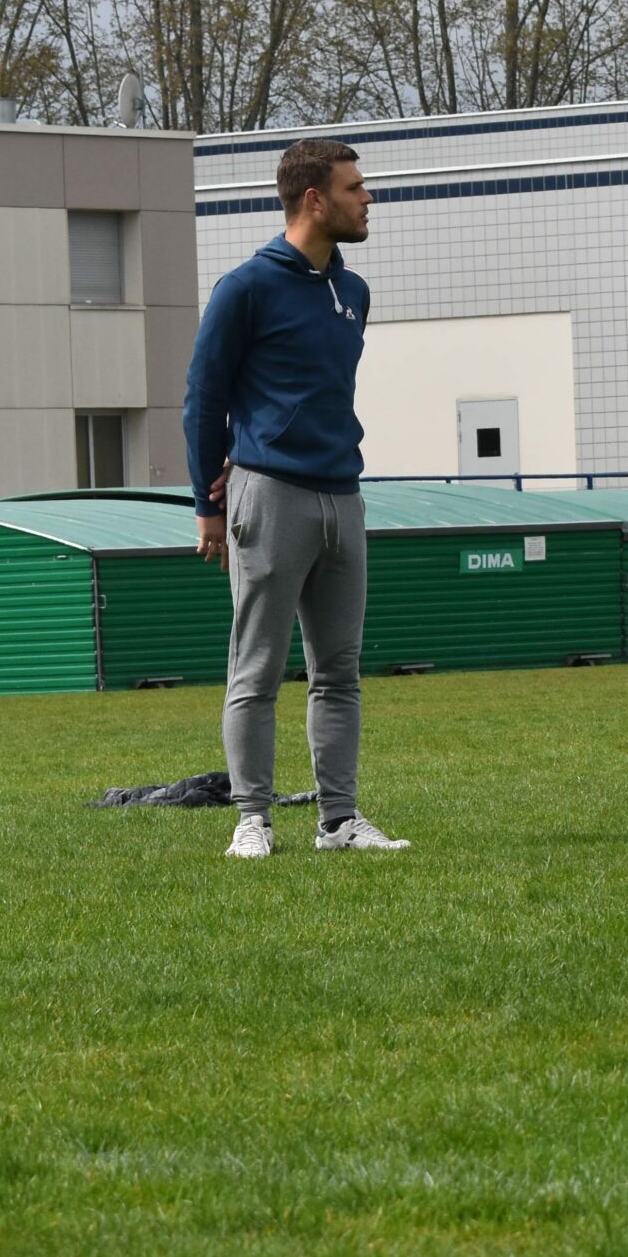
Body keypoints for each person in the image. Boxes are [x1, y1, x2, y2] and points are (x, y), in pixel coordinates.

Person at [185, 138, 409, 859]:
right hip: (269, 495)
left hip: (343, 496)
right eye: (354, 188)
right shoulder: (244, 288)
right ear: (314, 199)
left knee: (338, 672)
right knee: (256, 670)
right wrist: (207, 503)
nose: (366, 198)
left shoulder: (355, 291)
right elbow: (203, 401)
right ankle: (252, 819)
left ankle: (339, 822)